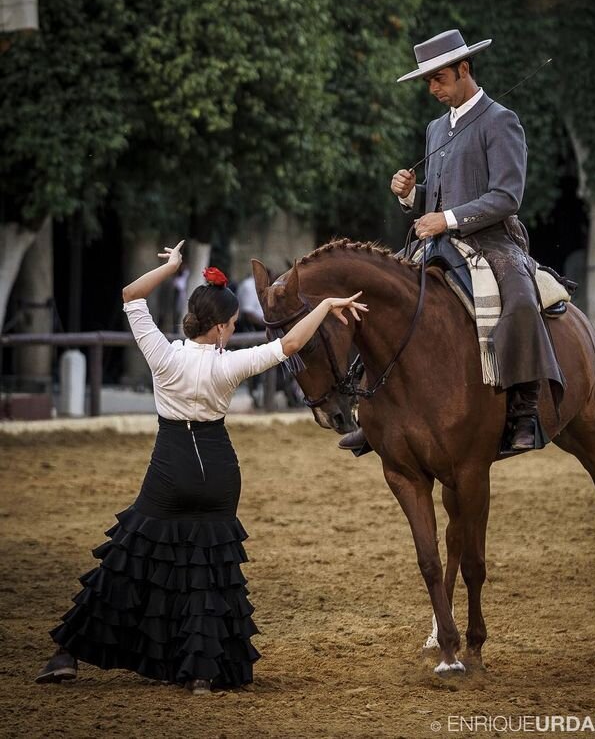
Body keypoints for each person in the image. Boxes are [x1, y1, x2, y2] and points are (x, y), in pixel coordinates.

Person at [35, 240, 367, 694]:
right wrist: (326, 304)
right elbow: (290, 343)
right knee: (208, 571)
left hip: (170, 469)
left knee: (127, 560)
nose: (231, 331)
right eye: (230, 325)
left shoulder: (163, 356)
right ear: (218, 327)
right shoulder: (228, 366)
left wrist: (173, 265)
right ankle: (201, 672)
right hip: (219, 473)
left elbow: (131, 295)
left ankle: (67, 653)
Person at [339, 29, 563, 453]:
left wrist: (447, 219)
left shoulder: (501, 121)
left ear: (464, 69)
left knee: (518, 298)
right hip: (440, 240)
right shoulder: (435, 128)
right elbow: (441, 195)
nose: (433, 88)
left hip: (494, 240)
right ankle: (372, 410)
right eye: (428, 81)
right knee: (380, 299)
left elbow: (506, 195)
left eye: (438, 78)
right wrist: (411, 193)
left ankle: (524, 411)